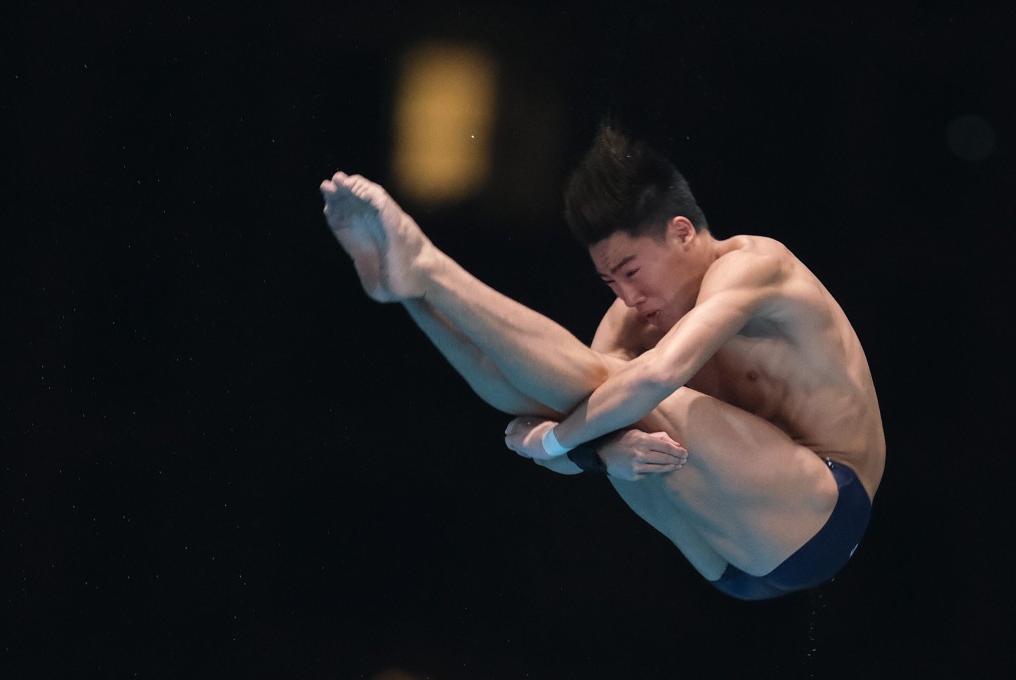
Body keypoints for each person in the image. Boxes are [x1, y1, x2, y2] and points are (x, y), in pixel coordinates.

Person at [318, 125, 885, 600]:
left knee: (627, 390)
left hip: (822, 513)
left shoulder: (756, 268)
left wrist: (561, 442)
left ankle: (430, 269)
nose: (627, 296)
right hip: (723, 558)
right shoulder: (630, 318)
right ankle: (413, 294)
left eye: (633, 270)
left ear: (682, 233)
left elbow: (651, 382)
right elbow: (548, 428)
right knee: (583, 393)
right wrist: (595, 449)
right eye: (609, 280)